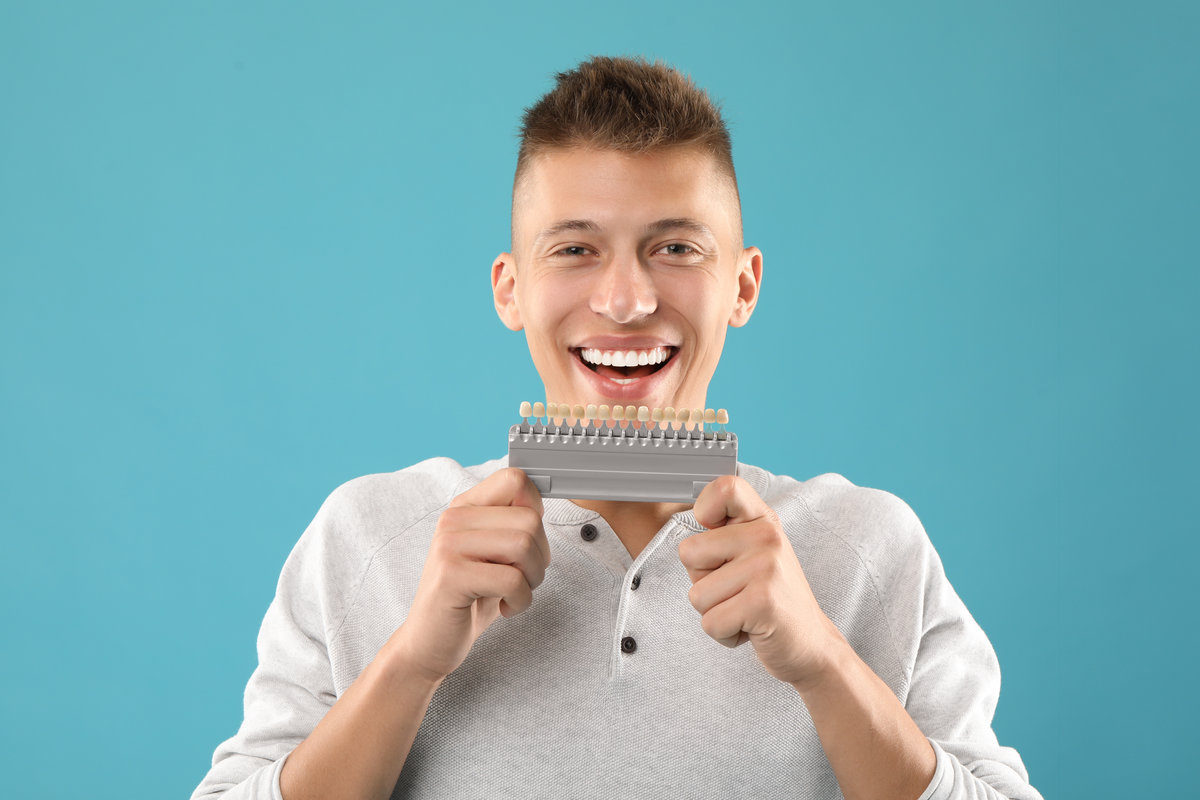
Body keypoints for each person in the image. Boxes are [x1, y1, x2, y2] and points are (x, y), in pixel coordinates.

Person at [191, 55, 1043, 800]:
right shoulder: (363, 536)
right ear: (511, 289)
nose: (627, 300)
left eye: (676, 248)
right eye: (574, 249)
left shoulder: (871, 548)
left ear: (743, 287)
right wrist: (410, 663)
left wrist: (824, 663)